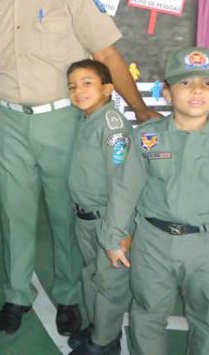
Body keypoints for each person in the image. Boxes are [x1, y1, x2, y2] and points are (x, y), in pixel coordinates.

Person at [0, 0, 158, 335]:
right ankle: (16, 295)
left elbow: (106, 54)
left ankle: (67, 295)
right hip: (9, 123)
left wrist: (140, 110)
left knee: (64, 212)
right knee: (13, 213)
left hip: (63, 121)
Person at [99, 47, 209, 355]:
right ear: (166, 92)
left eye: (208, 84)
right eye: (186, 83)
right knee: (147, 315)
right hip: (153, 244)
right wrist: (112, 237)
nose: (197, 92)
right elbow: (126, 190)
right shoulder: (146, 137)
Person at [65, 60, 133, 355]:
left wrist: (118, 231)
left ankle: (105, 342)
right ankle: (98, 327)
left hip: (109, 220)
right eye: (72, 86)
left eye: (87, 83)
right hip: (86, 217)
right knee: (92, 274)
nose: (79, 90)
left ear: (107, 88)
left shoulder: (111, 125)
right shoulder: (87, 119)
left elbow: (123, 183)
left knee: (110, 283)